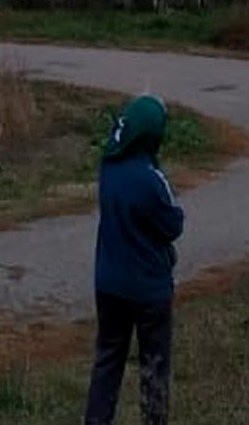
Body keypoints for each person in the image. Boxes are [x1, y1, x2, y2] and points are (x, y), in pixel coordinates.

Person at [84, 94, 185, 425]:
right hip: (148, 290)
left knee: (108, 361)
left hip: (109, 283)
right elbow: (173, 225)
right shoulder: (149, 179)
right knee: (153, 366)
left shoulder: (108, 164)